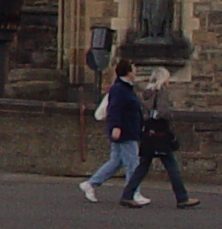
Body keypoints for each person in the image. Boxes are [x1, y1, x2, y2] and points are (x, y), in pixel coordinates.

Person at [121, 64, 200, 210]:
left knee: (143, 167)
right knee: (171, 167)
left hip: (148, 134)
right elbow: (163, 112)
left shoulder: (145, 93)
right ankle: (182, 198)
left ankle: (127, 195)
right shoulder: (161, 91)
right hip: (160, 135)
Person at [79, 59, 145, 204]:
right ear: (128, 71)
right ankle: (133, 192)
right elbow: (114, 109)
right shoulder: (119, 88)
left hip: (126, 129)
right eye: (133, 68)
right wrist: (116, 127)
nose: (135, 70)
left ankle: (91, 183)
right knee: (133, 163)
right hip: (125, 131)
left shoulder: (125, 87)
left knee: (116, 162)